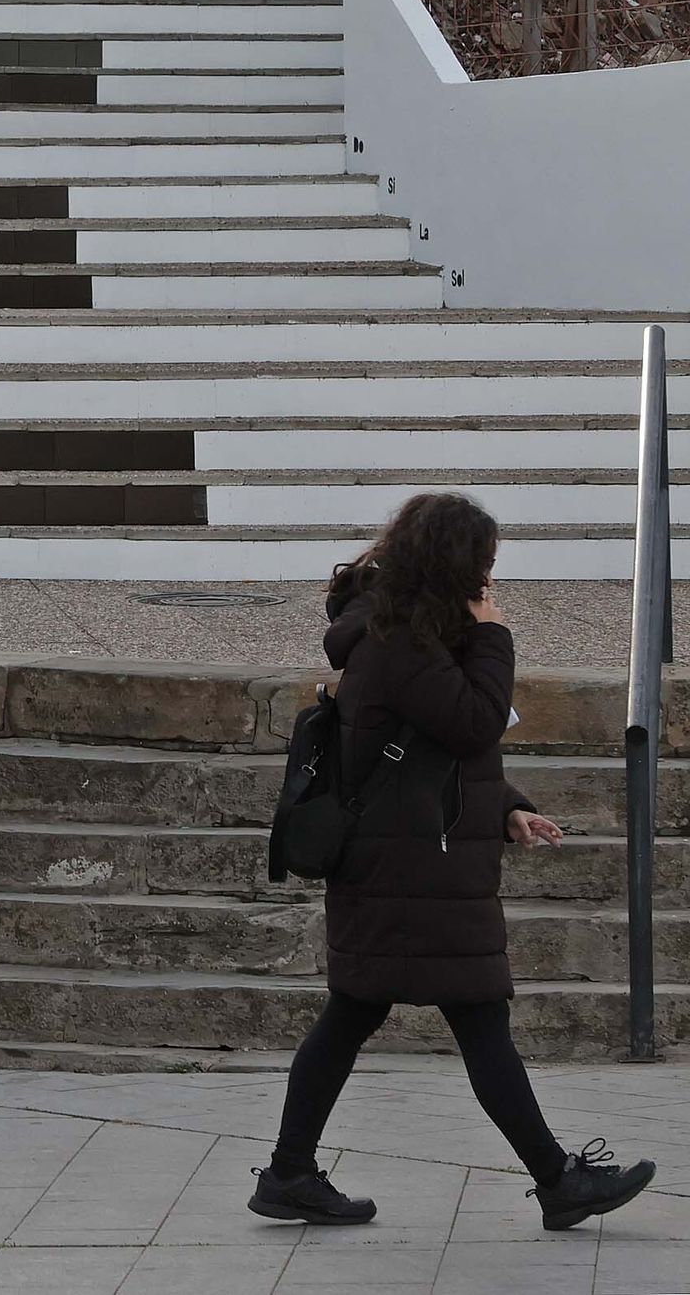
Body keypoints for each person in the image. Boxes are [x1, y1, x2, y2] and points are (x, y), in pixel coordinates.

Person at [249, 493, 655, 1231]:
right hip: (410, 873)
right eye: (483, 566)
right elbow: (472, 722)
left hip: (408, 866)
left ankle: (290, 1172)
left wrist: (506, 808)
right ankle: (557, 1181)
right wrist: (495, 635)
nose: (490, 582)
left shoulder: (409, 636)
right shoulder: (398, 643)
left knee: (366, 1013)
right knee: (466, 1016)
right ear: (454, 567)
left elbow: (433, 756)